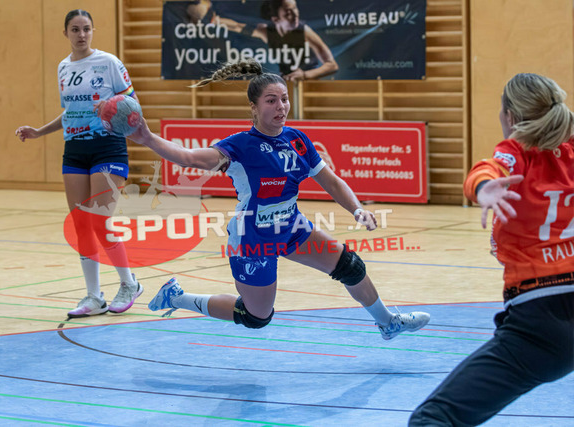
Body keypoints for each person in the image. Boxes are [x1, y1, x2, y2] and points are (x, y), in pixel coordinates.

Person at [116, 58, 429, 338]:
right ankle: (177, 297)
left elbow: (331, 181)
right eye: (271, 101)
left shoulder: (297, 140)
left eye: (284, 99)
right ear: (253, 107)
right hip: (253, 238)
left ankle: (388, 322)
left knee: (350, 266)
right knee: (256, 317)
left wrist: (357, 209)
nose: (281, 107)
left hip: (291, 227)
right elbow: (188, 157)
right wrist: (147, 137)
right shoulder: (240, 146)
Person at [409, 73, 574, 426]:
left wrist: (482, 188)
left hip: (542, 321)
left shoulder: (517, 151)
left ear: (510, 117)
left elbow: (487, 169)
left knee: (433, 419)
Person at [15, 9, 143, 318]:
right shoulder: (63, 67)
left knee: (99, 220)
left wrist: (112, 106)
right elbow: (71, 112)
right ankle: (93, 296)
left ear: (93, 31)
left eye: (86, 28)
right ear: (66, 33)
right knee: (80, 223)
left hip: (108, 147)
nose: (81, 34)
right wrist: (40, 131)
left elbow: (134, 106)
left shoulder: (109, 63)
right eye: (75, 29)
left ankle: (129, 283)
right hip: (74, 150)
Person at [216, 0, 339, 81]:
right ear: (275, 19)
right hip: (286, 84)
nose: (295, 15)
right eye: (288, 12)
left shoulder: (305, 31)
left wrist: (305, 75)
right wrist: (215, 20)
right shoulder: (268, 33)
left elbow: (332, 65)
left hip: (309, 84)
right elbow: (238, 27)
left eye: (295, 8)